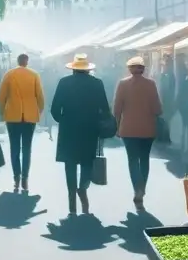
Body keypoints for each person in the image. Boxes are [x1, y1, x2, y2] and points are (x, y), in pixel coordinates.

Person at [51, 54, 111, 215]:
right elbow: (105, 109)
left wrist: (63, 120)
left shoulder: (64, 83)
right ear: (88, 69)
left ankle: (71, 198)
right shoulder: (97, 84)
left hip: (68, 129)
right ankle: (83, 187)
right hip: (89, 129)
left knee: (69, 164)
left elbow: (55, 109)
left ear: (73, 69)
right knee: (87, 162)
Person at [113, 56, 162, 211]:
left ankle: (137, 189)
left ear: (129, 69)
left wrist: (116, 126)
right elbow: (157, 109)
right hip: (148, 129)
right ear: (143, 69)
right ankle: (142, 187)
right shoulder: (151, 84)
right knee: (144, 159)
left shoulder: (122, 84)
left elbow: (117, 108)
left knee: (132, 160)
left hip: (128, 129)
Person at [0, 53, 45, 194]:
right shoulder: (34, 75)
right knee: (27, 148)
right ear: (27, 62)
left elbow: (1, 97)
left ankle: (16, 177)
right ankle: (25, 178)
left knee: (14, 148)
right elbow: (40, 97)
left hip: (12, 116)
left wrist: (3, 112)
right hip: (30, 117)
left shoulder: (9, 75)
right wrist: (38, 112)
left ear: (17, 61)